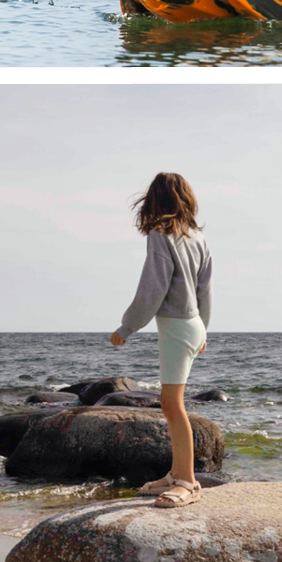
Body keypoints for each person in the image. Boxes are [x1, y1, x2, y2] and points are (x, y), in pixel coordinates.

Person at [107, 172, 214, 508]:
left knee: (172, 405)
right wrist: (204, 329)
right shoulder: (198, 237)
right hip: (192, 325)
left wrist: (127, 327)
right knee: (171, 403)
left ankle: (187, 483)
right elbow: (205, 289)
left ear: (154, 201)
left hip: (178, 327)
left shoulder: (160, 235)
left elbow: (153, 288)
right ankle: (174, 474)